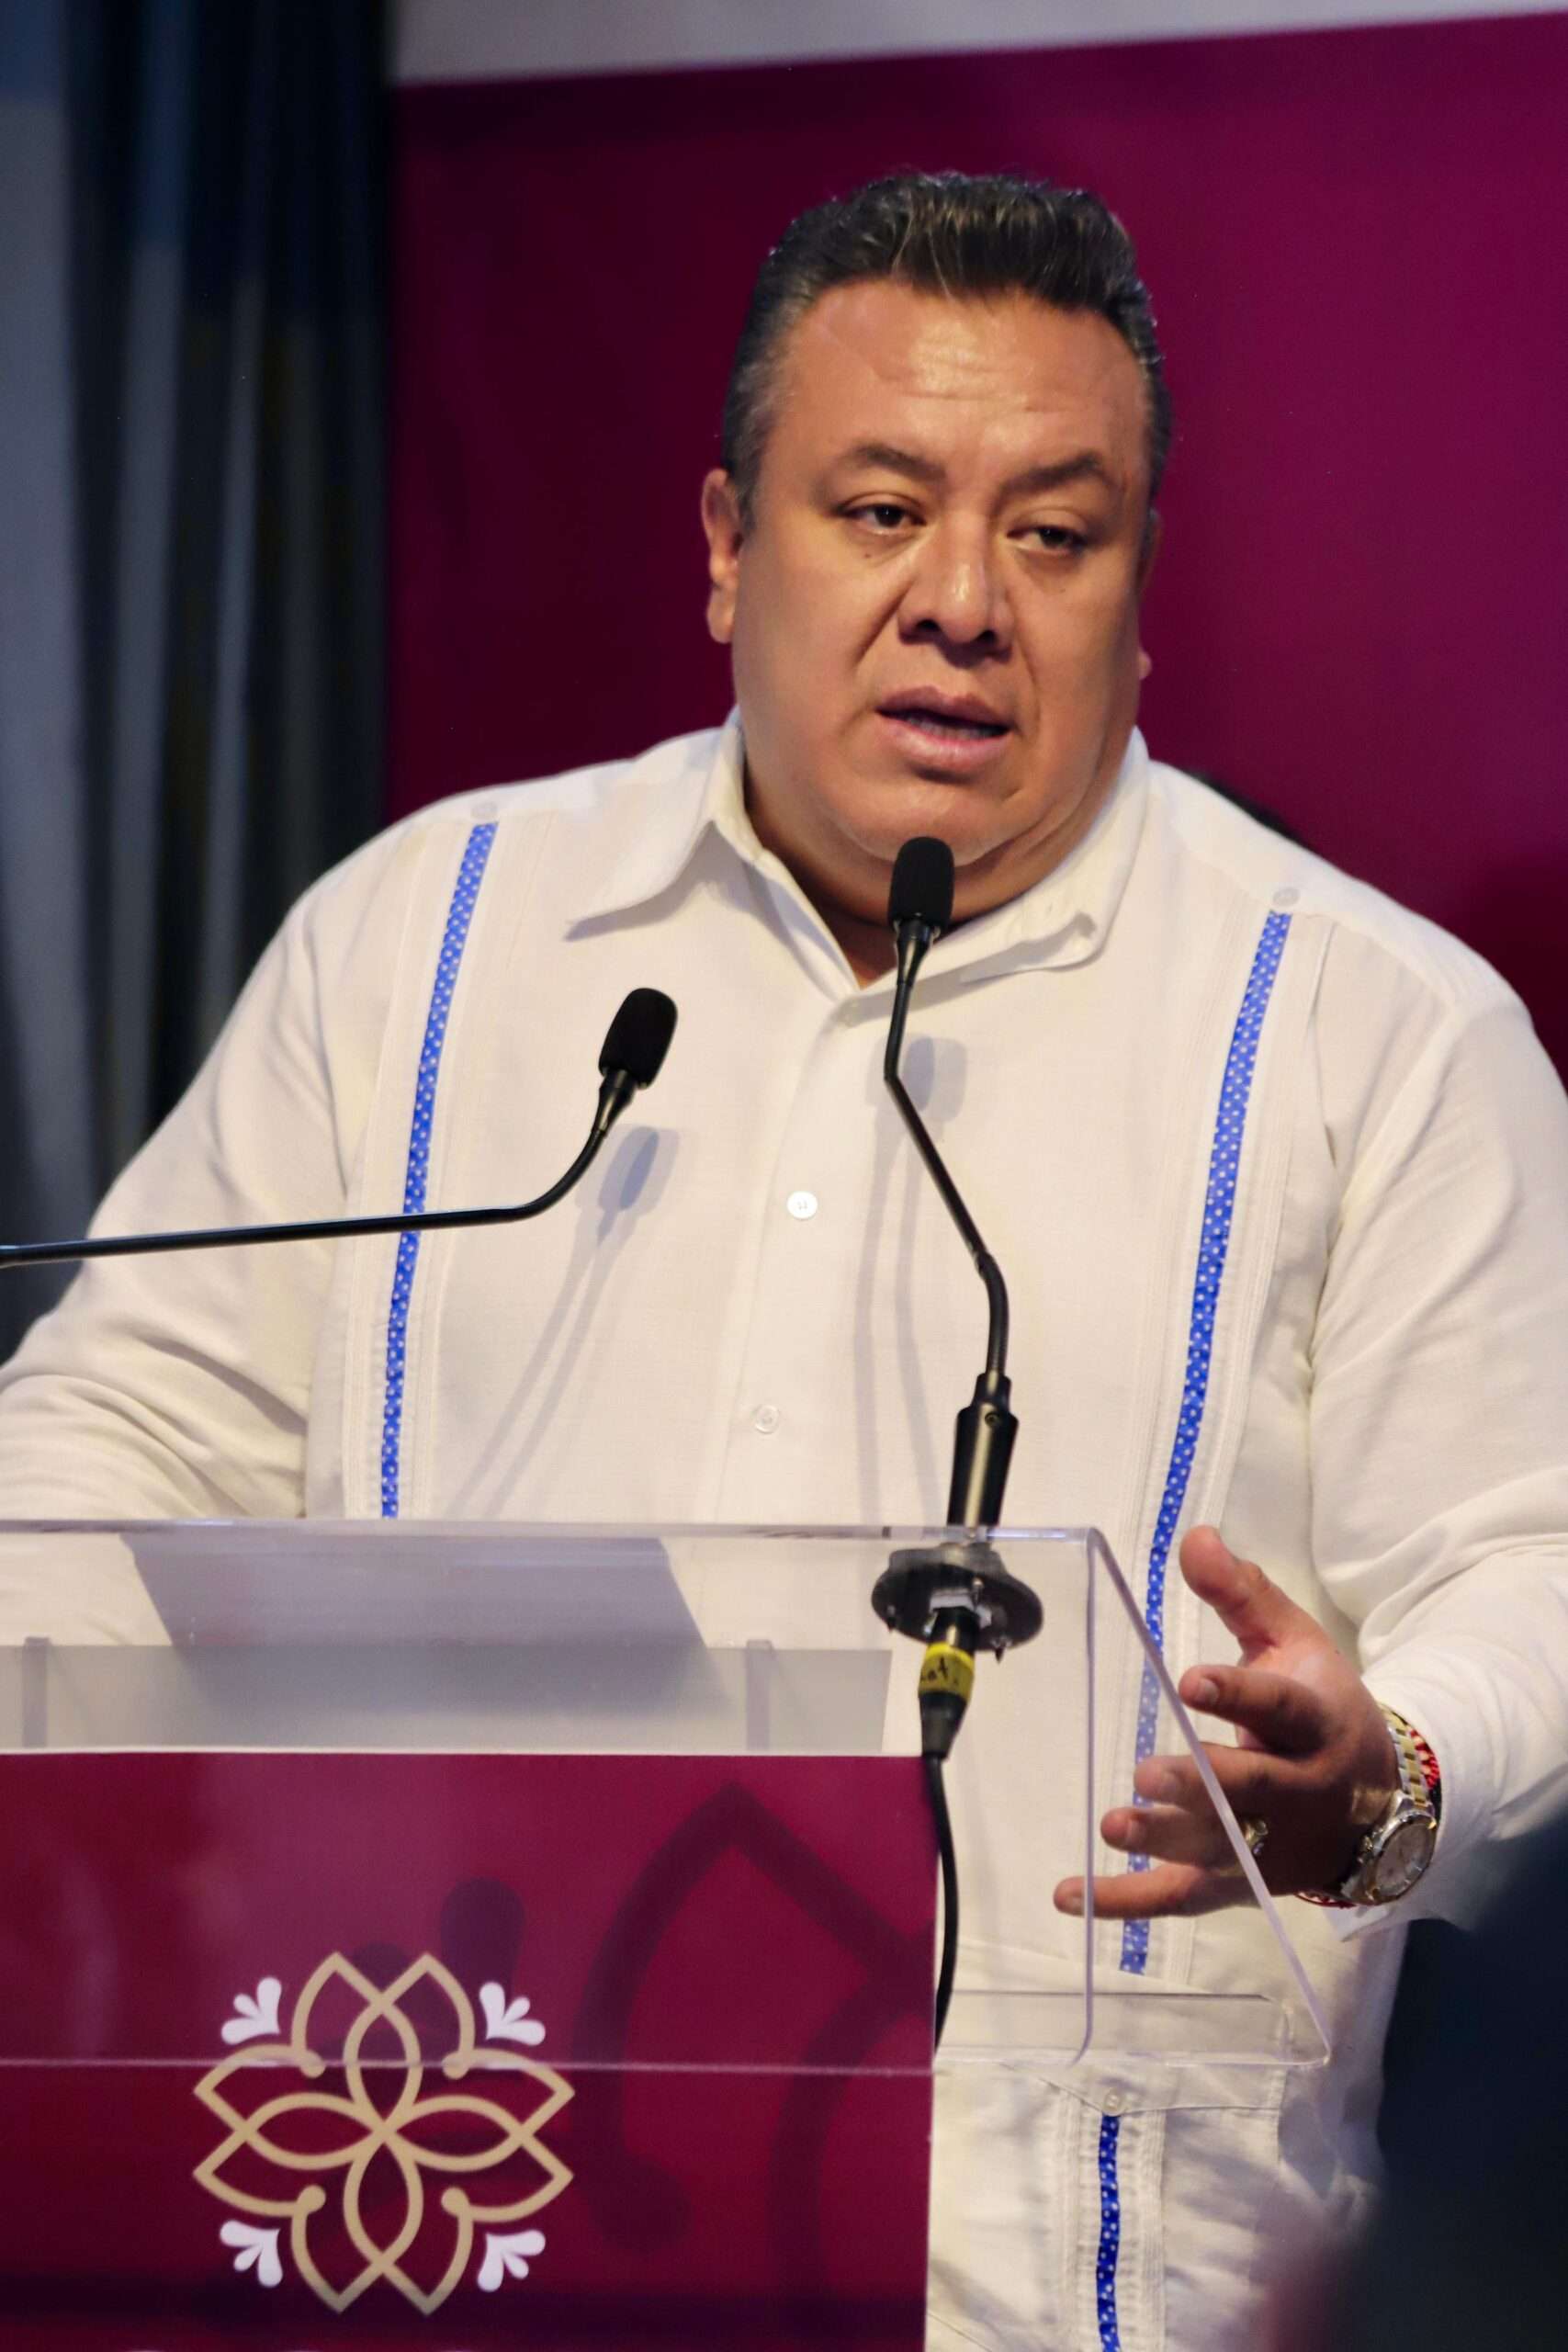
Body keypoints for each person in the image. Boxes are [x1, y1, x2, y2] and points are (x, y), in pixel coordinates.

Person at [2, 172, 1566, 2350]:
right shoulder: (423, 943)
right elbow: (105, 1446)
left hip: (1063, 2293)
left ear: (1138, 596)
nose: (962, 603)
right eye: (879, 509)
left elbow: (1530, 1567)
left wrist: (1385, 1768)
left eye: (1053, 532)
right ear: (729, 546)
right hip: (436, 2232)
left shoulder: (1367, 1033)